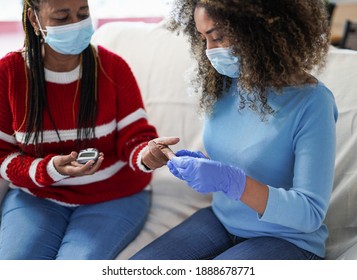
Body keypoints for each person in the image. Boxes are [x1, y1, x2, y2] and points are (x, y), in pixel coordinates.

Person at [130, 0, 338, 260]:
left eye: (217, 37)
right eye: (203, 38)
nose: (209, 51)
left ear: (259, 30)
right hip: (222, 220)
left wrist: (232, 181)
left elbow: (309, 214)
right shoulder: (224, 85)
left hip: (287, 239)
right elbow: (238, 159)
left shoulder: (313, 103)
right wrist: (202, 167)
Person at [0, 0, 178, 260]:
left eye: (83, 14)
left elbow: (135, 137)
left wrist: (146, 154)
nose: (76, 24)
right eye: (62, 17)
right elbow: (2, 153)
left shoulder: (113, 68)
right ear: (34, 19)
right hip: (38, 196)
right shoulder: (9, 74)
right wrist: (49, 169)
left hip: (114, 195)